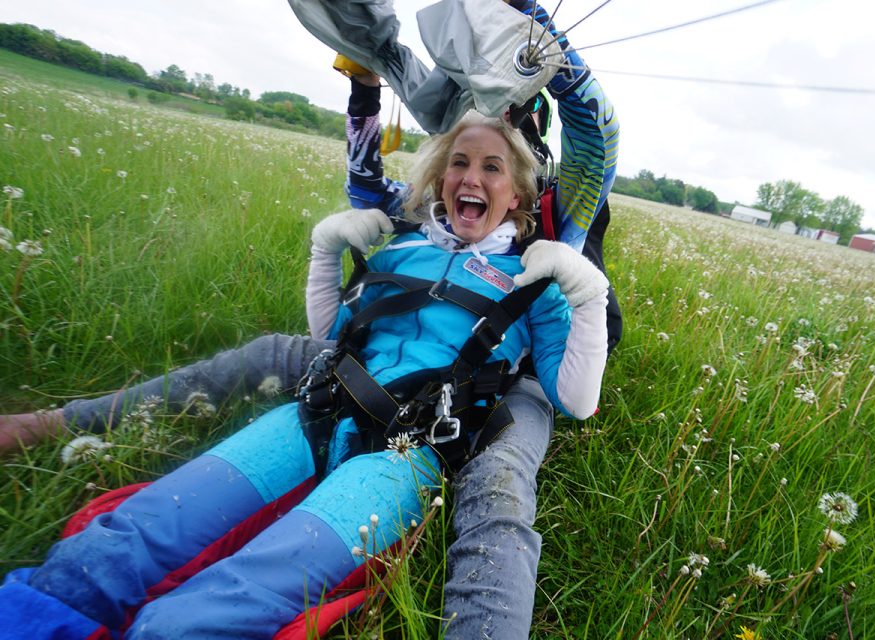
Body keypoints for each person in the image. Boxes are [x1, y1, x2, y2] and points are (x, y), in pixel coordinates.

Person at [0, 3, 619, 636]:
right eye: (460, 161)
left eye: (493, 166)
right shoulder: (409, 234)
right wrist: (358, 110)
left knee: (228, 600)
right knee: (137, 532)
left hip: (418, 441)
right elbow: (349, 251)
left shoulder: (546, 252)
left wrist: (541, 42)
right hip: (321, 402)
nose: (472, 174)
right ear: (440, 173)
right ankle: (52, 520)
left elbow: (598, 141)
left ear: (518, 189)